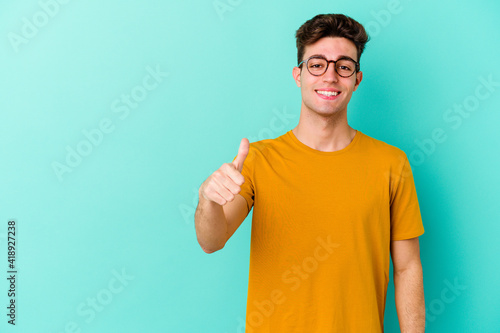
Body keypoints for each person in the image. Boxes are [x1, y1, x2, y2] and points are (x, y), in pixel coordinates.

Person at [195, 13, 425, 333]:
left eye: (343, 66)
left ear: (356, 80)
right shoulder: (258, 160)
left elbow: (407, 267)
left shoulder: (392, 164)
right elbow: (211, 241)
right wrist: (208, 197)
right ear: (298, 75)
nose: (330, 76)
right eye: (317, 64)